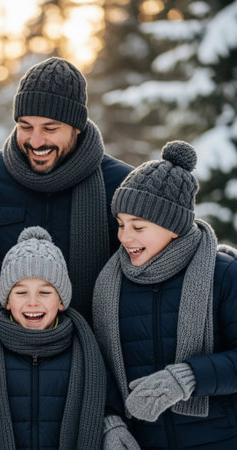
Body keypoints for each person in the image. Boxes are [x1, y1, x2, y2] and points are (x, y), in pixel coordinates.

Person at [0, 226, 136, 450]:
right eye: (21, 292)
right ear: (7, 301)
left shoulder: (85, 352)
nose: (33, 302)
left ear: (61, 301)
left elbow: (107, 406)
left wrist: (113, 428)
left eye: (45, 292)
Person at [0, 56, 132, 322]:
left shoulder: (121, 185)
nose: (36, 140)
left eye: (50, 128)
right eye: (25, 127)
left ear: (77, 127)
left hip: (88, 349)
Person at [93, 141, 237, 449]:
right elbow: (98, 368)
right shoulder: (110, 285)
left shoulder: (222, 273)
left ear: (173, 226)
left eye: (138, 227)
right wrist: (112, 423)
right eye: (120, 224)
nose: (124, 237)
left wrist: (187, 378)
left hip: (219, 438)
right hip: (144, 441)